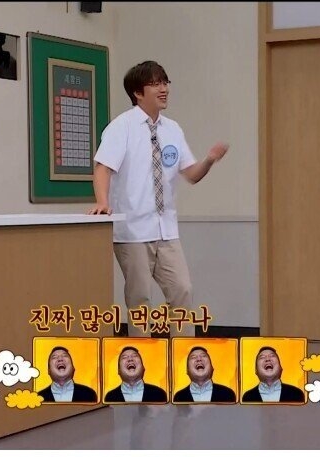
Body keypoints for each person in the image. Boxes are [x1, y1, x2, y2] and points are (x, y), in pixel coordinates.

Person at [88, 60, 229, 337]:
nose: (163, 89)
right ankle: (142, 356)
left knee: (182, 290)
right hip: (132, 231)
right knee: (140, 298)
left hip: (166, 229)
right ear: (137, 92)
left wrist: (209, 160)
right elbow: (102, 168)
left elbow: (191, 174)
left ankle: (183, 354)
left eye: (165, 82)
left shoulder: (172, 129)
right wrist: (103, 202)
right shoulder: (121, 127)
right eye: (155, 84)